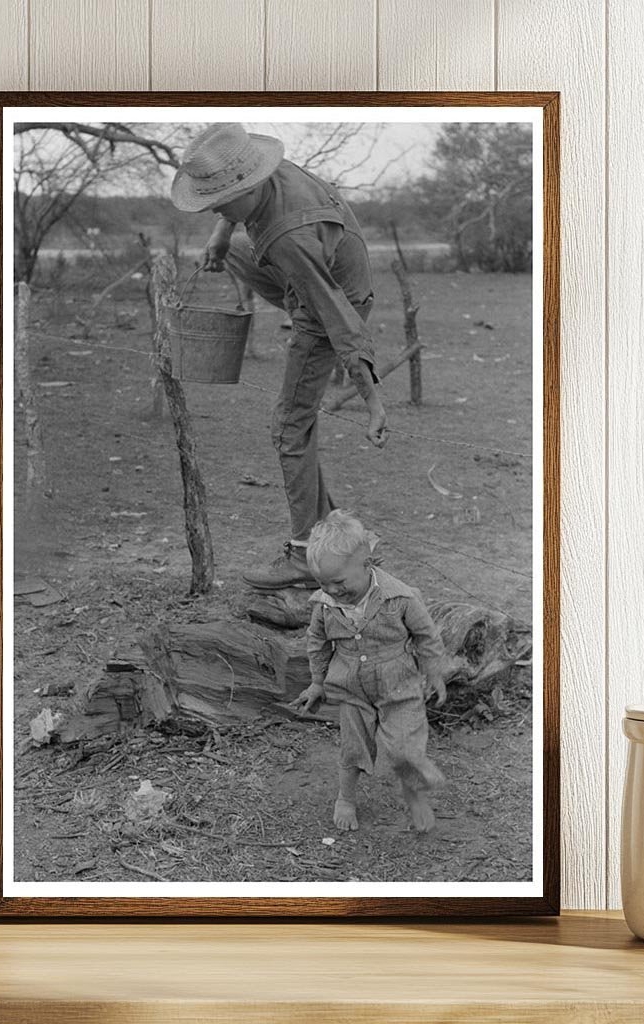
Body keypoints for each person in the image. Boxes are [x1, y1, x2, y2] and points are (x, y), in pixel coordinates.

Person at [170, 123, 388, 590]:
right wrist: (221, 236)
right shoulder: (268, 176)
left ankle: (306, 556)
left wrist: (371, 399)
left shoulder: (289, 236)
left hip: (333, 304)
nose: (219, 210)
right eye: (213, 202)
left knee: (289, 425)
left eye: (224, 202)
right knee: (229, 253)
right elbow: (237, 211)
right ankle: (338, 544)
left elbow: (338, 316)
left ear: (249, 185)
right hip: (312, 280)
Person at [288, 510, 448, 833]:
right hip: (351, 688)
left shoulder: (400, 597)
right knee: (352, 747)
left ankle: (414, 792)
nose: (331, 590)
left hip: (398, 685)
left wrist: (434, 672)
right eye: (322, 583)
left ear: (367, 564)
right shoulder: (324, 605)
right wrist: (318, 682)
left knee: (404, 746)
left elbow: (427, 635)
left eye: (338, 582)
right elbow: (317, 642)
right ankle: (345, 797)